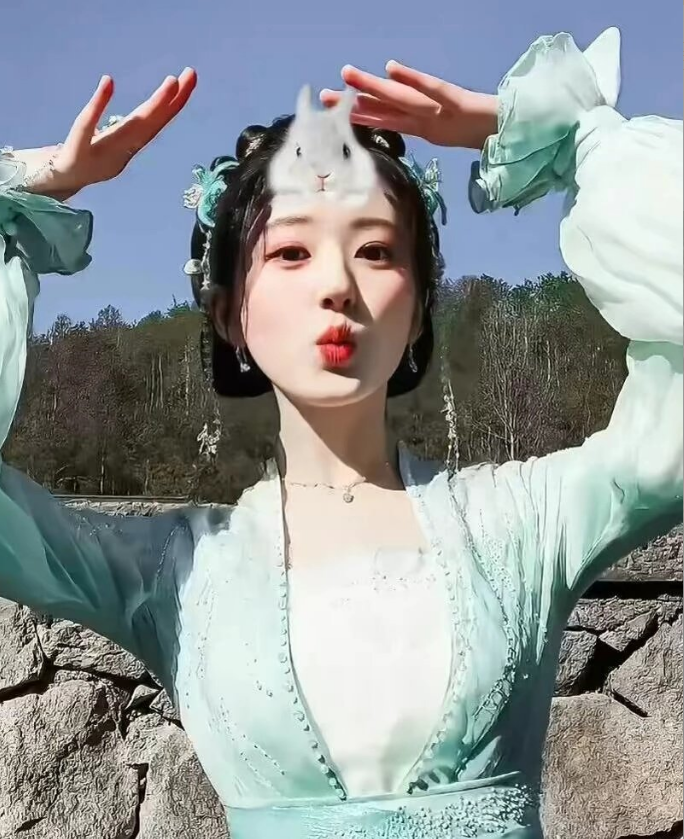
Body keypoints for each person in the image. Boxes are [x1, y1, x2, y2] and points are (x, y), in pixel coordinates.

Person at [0, 26, 681, 839]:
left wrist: (575, 135)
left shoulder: (525, 523)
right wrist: (27, 184)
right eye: (291, 252)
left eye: (376, 250)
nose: (337, 284)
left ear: (421, 305)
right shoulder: (173, 572)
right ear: (229, 311)